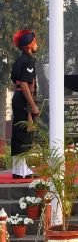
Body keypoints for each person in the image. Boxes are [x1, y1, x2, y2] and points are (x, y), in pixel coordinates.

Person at [10, 29, 40, 179]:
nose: (37, 44)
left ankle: (18, 168)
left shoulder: (19, 60)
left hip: (18, 97)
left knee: (18, 132)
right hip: (23, 98)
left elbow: (15, 80)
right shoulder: (27, 60)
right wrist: (32, 105)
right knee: (25, 132)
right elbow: (23, 83)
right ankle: (22, 170)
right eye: (34, 42)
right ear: (28, 45)